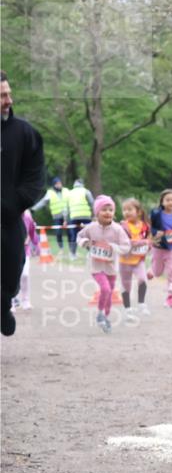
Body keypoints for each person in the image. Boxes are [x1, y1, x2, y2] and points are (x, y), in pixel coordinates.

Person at [1, 70, 46, 337]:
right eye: (1, 96)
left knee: (10, 276)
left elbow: (35, 178)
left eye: (8, 94)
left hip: (9, 218)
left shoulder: (26, 133)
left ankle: (4, 303)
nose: (8, 100)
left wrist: (12, 205)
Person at [76, 196, 130, 333]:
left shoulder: (117, 229)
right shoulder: (91, 228)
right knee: (105, 289)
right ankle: (100, 314)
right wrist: (85, 243)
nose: (107, 212)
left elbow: (126, 246)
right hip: (96, 266)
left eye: (110, 210)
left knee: (109, 293)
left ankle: (105, 317)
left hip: (111, 267)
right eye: (104, 209)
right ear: (97, 212)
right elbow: (79, 236)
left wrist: (112, 247)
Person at [148, 188, 172, 308]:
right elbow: (150, 227)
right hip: (159, 246)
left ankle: (170, 295)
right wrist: (155, 232)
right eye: (167, 200)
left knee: (171, 271)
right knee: (157, 273)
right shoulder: (156, 213)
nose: (170, 202)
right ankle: (151, 270)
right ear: (162, 202)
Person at [118, 198, 152, 319]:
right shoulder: (122, 226)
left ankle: (141, 303)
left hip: (138, 260)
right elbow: (124, 242)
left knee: (143, 279)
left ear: (138, 211)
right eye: (124, 210)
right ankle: (128, 309)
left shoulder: (145, 226)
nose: (126, 212)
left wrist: (148, 244)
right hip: (124, 261)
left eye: (129, 209)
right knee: (126, 285)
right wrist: (138, 242)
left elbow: (149, 240)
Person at [32, 177, 71, 251]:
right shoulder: (50, 193)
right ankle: (61, 248)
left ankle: (71, 249)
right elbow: (43, 202)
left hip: (67, 216)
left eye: (60, 183)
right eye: (57, 184)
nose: (59, 185)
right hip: (57, 217)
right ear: (54, 185)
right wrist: (33, 209)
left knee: (70, 232)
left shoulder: (66, 191)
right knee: (58, 233)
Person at [13, 210, 40, 311]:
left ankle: (25, 300)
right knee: (11, 277)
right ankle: (11, 301)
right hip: (9, 252)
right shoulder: (7, 216)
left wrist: (37, 246)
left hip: (25, 252)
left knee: (25, 275)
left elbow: (32, 233)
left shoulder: (27, 217)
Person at [66, 178, 95, 258]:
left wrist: (65, 219)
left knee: (73, 235)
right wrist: (95, 215)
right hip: (85, 216)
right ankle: (91, 252)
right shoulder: (86, 191)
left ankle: (73, 254)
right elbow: (92, 203)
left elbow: (66, 208)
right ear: (82, 184)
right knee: (88, 234)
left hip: (74, 217)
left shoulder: (69, 193)